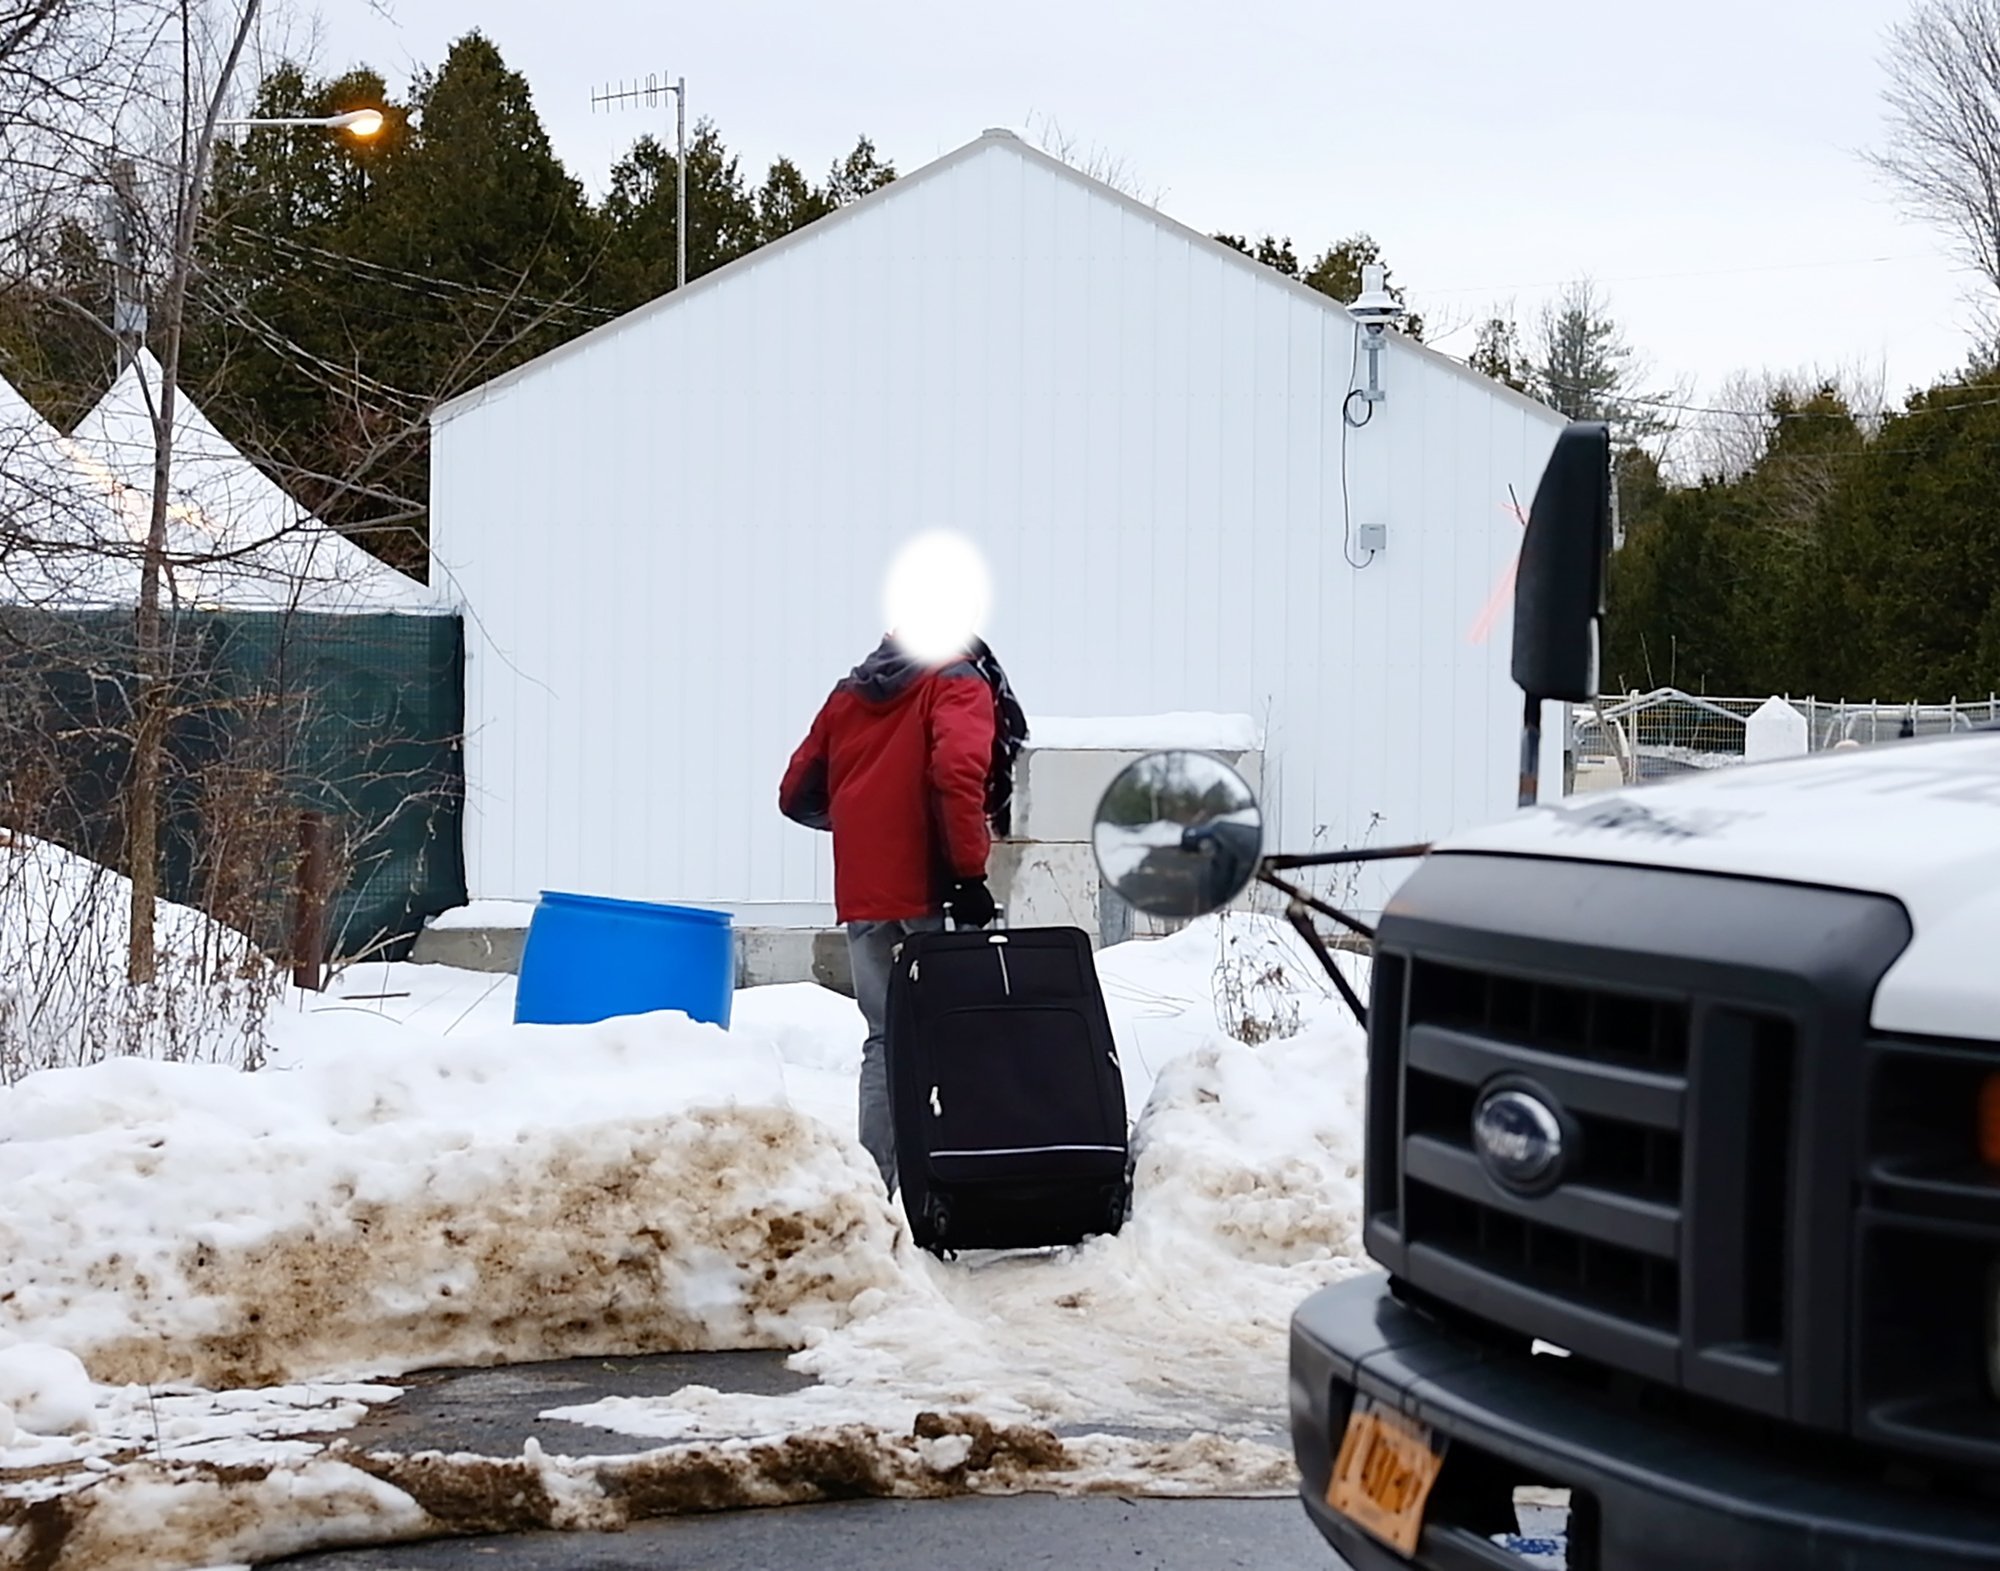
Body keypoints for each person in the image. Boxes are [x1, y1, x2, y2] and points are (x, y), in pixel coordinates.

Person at [779, 632, 1026, 1197]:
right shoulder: (957, 679)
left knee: (885, 1040)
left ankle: (876, 1190)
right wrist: (968, 874)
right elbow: (957, 773)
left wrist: (860, 821)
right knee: (956, 1036)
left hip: (866, 895)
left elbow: (796, 792)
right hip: (934, 892)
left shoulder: (851, 693)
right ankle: (955, 1187)